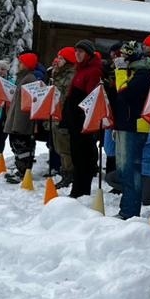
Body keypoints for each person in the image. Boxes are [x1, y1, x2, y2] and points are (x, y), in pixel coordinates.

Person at [112, 42, 150, 219]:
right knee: (123, 169)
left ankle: (130, 211)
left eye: (123, 56)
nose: (119, 59)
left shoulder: (143, 74)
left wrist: (121, 72)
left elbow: (125, 94)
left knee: (131, 169)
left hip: (135, 125)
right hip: (124, 124)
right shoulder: (133, 72)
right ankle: (126, 208)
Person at [64, 40, 103, 198]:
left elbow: (92, 97)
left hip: (83, 121)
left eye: (81, 52)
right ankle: (77, 187)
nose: (77, 54)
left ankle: (82, 190)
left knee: (83, 156)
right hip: (75, 120)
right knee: (76, 155)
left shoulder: (93, 71)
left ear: (88, 54)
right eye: (76, 51)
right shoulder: (80, 69)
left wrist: (81, 115)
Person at [3, 52, 40, 183]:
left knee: (22, 146)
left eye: (22, 62)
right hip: (18, 118)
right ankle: (21, 170)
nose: (19, 65)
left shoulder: (30, 79)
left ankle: (24, 172)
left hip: (23, 120)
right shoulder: (23, 78)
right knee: (16, 144)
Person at [48, 48, 76, 183]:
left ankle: (68, 174)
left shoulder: (71, 75)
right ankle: (65, 171)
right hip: (56, 115)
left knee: (65, 148)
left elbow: (65, 97)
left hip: (63, 116)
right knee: (59, 147)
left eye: (61, 58)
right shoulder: (58, 74)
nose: (57, 60)